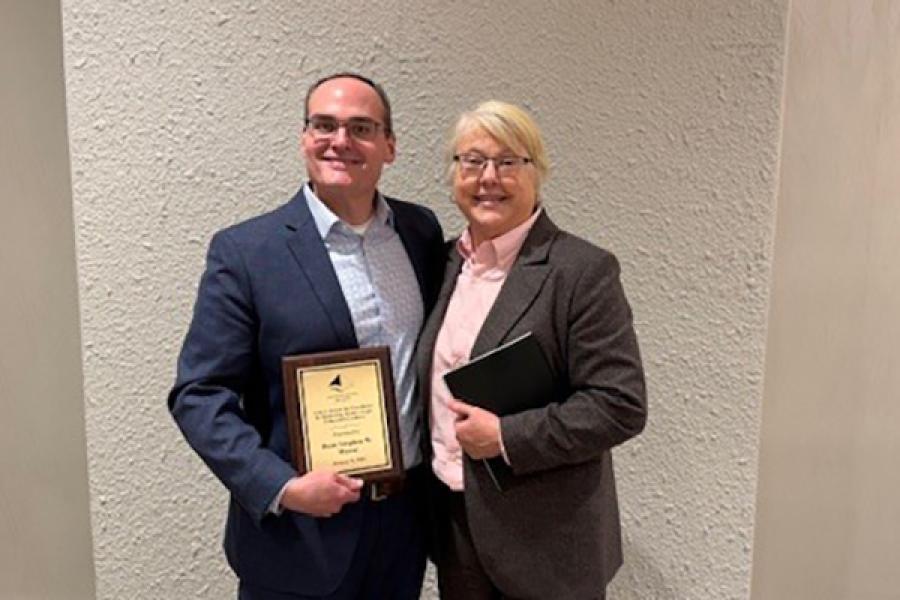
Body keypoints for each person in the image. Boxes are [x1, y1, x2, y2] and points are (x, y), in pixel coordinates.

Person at [169, 73, 445, 600]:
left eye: (361, 127)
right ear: (304, 138)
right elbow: (199, 395)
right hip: (301, 538)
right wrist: (282, 487)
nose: (340, 141)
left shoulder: (420, 232)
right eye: (324, 125)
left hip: (406, 525)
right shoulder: (247, 252)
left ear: (390, 146)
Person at [417, 101, 647, 600]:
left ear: (536, 173)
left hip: (546, 547)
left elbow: (620, 405)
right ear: (453, 173)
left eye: (508, 162)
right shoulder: (441, 267)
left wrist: (505, 436)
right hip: (457, 529)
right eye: (472, 161)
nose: (488, 178)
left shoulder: (580, 271)